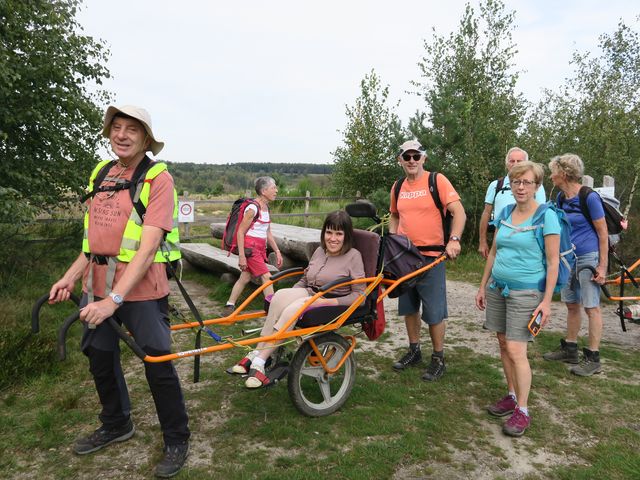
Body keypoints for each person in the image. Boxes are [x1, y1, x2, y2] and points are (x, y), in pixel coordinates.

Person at [48, 105, 190, 478]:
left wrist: (114, 301)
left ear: (145, 138)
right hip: (96, 285)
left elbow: (146, 250)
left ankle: (177, 438)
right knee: (98, 356)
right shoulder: (101, 173)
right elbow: (91, 241)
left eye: (131, 129)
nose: (121, 134)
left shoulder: (158, 179)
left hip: (141, 290)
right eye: (116, 127)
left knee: (157, 361)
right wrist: (69, 277)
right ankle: (116, 423)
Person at [228, 210, 365, 388]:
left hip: (330, 299)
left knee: (292, 310)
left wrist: (325, 302)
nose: (333, 238)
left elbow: (360, 296)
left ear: (346, 236)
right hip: (310, 291)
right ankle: (258, 352)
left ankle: (260, 362)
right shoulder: (319, 251)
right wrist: (291, 295)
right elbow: (305, 279)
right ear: (324, 233)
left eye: (339, 234)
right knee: (278, 297)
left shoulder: (353, 256)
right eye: (329, 232)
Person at [475, 161, 560, 437]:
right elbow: (495, 252)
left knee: (515, 349)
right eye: (516, 182)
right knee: (502, 343)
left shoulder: (547, 216)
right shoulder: (506, 212)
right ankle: (511, 395)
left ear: (537, 186)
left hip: (527, 293)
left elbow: (553, 261)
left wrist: (546, 302)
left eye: (527, 182)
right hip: (499, 289)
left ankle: (522, 410)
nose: (521, 187)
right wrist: (482, 286)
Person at [389, 140, 466, 381]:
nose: (411, 160)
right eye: (407, 156)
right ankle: (414, 351)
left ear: (424, 158)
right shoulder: (398, 186)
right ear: (400, 160)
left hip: (432, 257)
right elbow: (394, 215)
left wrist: (454, 239)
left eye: (416, 155)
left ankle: (438, 358)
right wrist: (392, 240)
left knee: (434, 312)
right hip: (404, 258)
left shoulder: (437, 181)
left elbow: (459, 212)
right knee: (409, 308)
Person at [543, 154, 608, 376]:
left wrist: (602, 266)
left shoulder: (589, 197)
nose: (551, 176)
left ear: (563, 173)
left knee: (591, 307)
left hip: (589, 257)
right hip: (568, 258)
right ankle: (570, 348)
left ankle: (593, 357)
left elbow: (602, 233)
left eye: (553, 171)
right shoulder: (561, 197)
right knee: (571, 304)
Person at [223, 176, 283, 315]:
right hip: (250, 248)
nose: (276, 190)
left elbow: (268, 232)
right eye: (273, 187)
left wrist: (277, 251)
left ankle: (229, 305)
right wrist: (242, 257)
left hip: (261, 248)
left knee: (245, 277)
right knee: (267, 277)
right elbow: (240, 232)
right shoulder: (252, 208)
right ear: (263, 191)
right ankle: (272, 309)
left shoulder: (266, 208)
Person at [478, 147, 547, 259]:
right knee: (496, 271)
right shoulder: (496, 185)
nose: (515, 164)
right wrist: (482, 241)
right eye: (512, 161)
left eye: (519, 161)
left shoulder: (536, 186)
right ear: (506, 164)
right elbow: (486, 213)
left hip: (527, 242)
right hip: (500, 240)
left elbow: (541, 214)